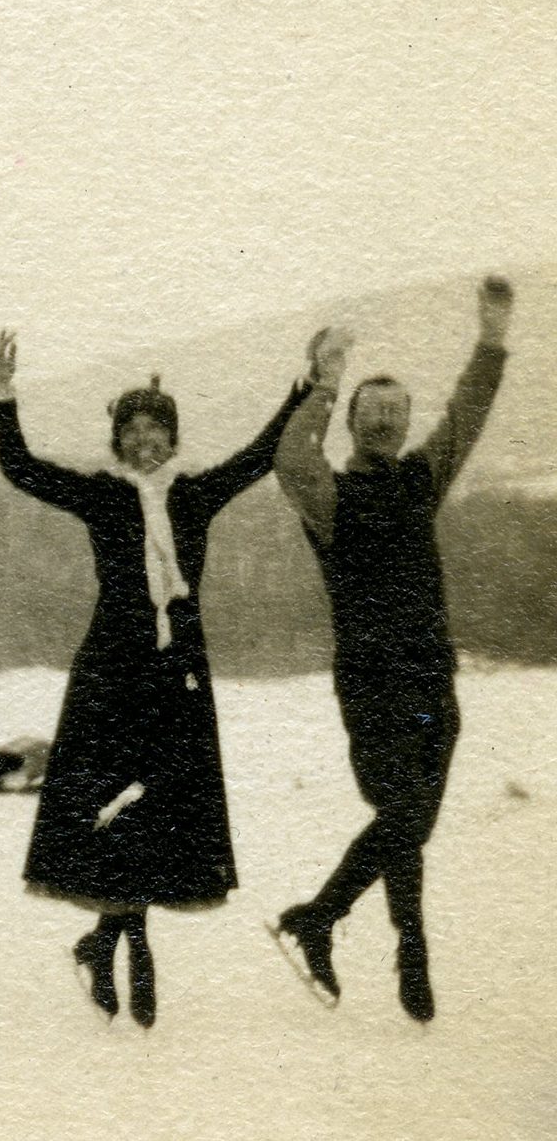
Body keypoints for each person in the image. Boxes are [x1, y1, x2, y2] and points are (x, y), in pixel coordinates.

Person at [0, 329, 309, 1027]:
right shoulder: (102, 497)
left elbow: (261, 454)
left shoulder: (195, 496)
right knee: (112, 805)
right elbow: (20, 467)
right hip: (111, 667)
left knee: (157, 808)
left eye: (155, 429)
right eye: (130, 430)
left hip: (178, 671)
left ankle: (106, 938)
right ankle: (131, 941)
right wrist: (5, 393)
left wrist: (306, 385)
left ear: (173, 437)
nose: (143, 442)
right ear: (116, 440)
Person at [270, 277, 513, 1022]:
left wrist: (492, 341)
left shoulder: (420, 478)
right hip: (373, 683)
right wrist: (324, 380)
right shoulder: (331, 496)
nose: (385, 420)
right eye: (371, 412)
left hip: (433, 676)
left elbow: (466, 416)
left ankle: (325, 919)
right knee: (404, 815)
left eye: (396, 411)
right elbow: (288, 457)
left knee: (411, 823)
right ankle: (401, 945)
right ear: (351, 425)